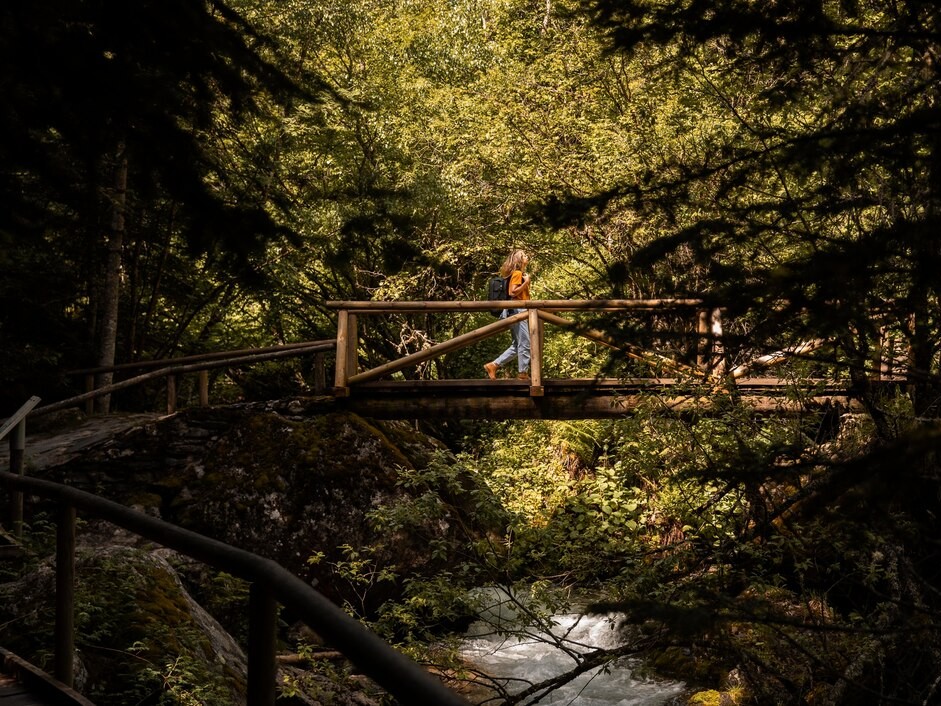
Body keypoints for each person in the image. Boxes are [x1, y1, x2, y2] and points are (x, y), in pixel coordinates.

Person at [484, 249, 532, 380]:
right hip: (518, 310)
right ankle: (523, 373)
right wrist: (526, 282)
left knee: (517, 345)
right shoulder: (517, 273)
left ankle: (493, 365)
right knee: (525, 343)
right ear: (519, 260)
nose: (527, 257)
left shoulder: (516, 273)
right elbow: (513, 292)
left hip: (517, 311)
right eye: (524, 256)